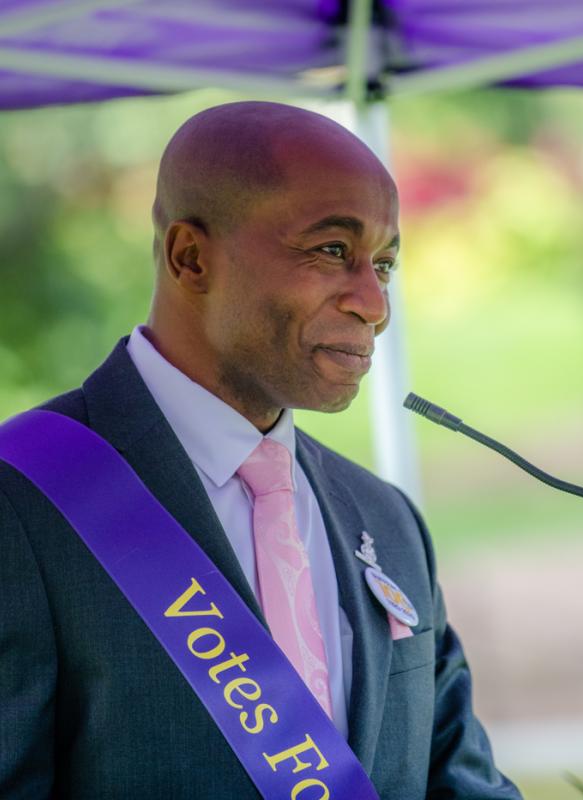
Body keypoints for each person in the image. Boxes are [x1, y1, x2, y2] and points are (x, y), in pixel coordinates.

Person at [0, 101, 522, 799]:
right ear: (192, 257)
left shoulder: (387, 521)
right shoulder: (23, 501)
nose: (375, 303)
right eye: (333, 251)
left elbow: (460, 783)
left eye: (385, 265)